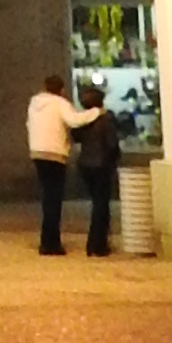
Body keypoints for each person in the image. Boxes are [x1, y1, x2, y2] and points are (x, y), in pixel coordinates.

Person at [25, 70, 84, 255]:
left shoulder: (34, 104)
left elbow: (29, 125)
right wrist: (95, 112)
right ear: (61, 89)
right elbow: (74, 121)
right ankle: (51, 243)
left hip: (37, 152)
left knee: (47, 197)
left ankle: (46, 239)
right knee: (54, 199)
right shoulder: (60, 104)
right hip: (55, 153)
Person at [72, 86, 122, 258]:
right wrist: (115, 158)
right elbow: (112, 143)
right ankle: (98, 244)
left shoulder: (83, 120)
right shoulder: (106, 119)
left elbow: (75, 136)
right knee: (102, 205)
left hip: (85, 163)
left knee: (96, 203)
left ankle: (93, 244)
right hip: (102, 164)